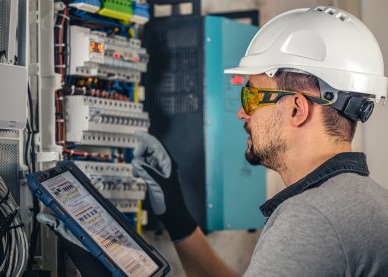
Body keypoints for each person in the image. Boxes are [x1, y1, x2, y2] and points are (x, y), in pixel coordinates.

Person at [131, 6, 388, 276]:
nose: (243, 113)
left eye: (251, 97)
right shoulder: (371, 201)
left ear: (296, 109)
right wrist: (178, 217)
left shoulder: (311, 217)